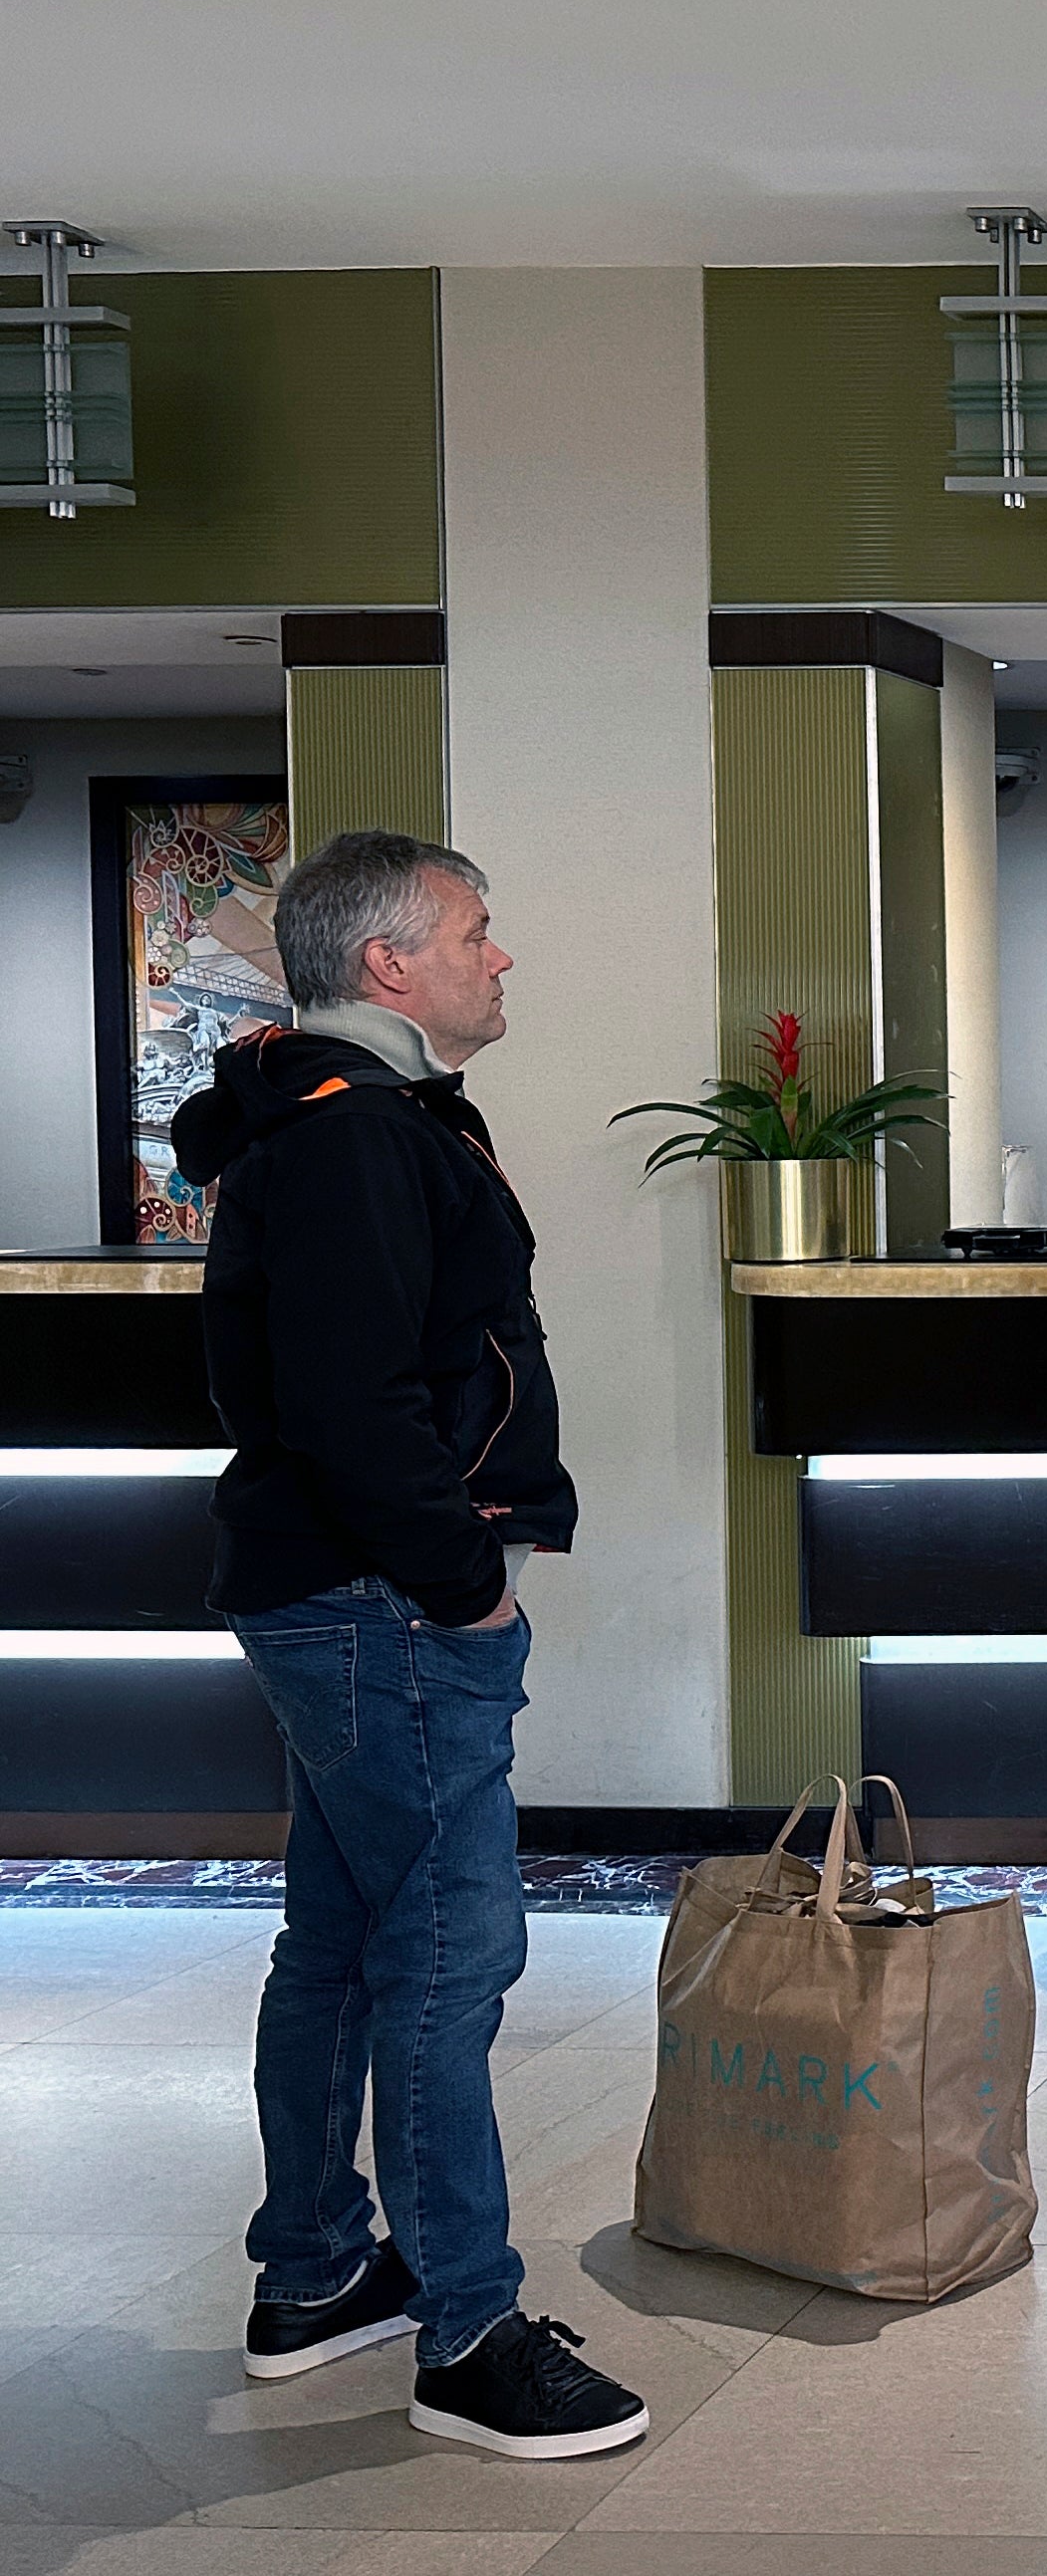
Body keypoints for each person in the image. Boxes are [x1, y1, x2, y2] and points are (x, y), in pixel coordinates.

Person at [170, 828, 647, 2460]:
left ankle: (314, 2273)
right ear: (389, 963)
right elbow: (356, 1401)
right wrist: (464, 1583)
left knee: (340, 1937)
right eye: (476, 931)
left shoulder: (334, 1111)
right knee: (449, 1958)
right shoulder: (353, 1132)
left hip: (330, 1590)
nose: (498, 956)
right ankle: (467, 2328)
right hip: (383, 1601)